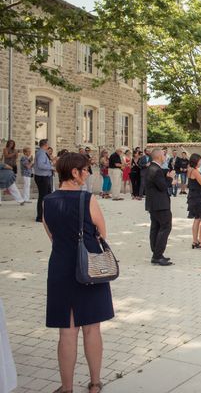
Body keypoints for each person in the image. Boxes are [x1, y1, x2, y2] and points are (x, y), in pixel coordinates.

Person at [42, 153, 113, 393]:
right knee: (92, 328)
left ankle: (67, 387)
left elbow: (51, 235)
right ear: (74, 172)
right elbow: (102, 232)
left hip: (61, 266)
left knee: (67, 331)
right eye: (85, 170)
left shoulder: (47, 201)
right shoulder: (87, 199)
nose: (87, 174)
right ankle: (94, 383)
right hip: (89, 266)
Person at [145, 149, 175, 266]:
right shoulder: (155, 170)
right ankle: (157, 255)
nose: (165, 156)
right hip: (160, 204)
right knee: (165, 227)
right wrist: (170, 178)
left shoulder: (152, 168)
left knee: (155, 227)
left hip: (154, 204)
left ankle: (156, 253)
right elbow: (162, 186)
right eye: (163, 155)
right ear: (158, 156)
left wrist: (166, 176)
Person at [34, 139, 54, 222]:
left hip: (44, 177)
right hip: (42, 177)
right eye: (47, 144)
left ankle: (45, 215)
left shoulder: (42, 153)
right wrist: (52, 168)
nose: (48, 145)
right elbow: (41, 165)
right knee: (43, 197)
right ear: (45, 145)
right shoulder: (41, 153)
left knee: (46, 196)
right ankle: (40, 217)